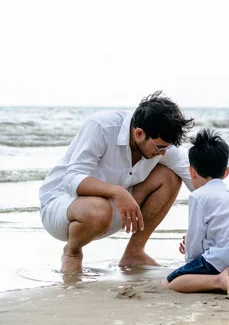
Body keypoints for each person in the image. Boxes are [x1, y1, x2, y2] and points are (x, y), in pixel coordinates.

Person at [39, 91, 195, 273]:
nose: (162, 153)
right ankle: (72, 252)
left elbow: (200, 185)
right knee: (99, 208)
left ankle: (134, 252)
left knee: (170, 176)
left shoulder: (160, 145)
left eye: (166, 148)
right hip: (62, 209)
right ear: (139, 133)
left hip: (117, 210)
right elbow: (72, 179)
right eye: (159, 147)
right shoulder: (102, 126)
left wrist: (210, 228)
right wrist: (117, 192)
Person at [161, 129, 229, 295]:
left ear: (192, 172)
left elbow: (195, 243)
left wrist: (190, 264)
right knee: (217, 260)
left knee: (171, 283)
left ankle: (221, 280)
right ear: (226, 172)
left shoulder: (198, 196)